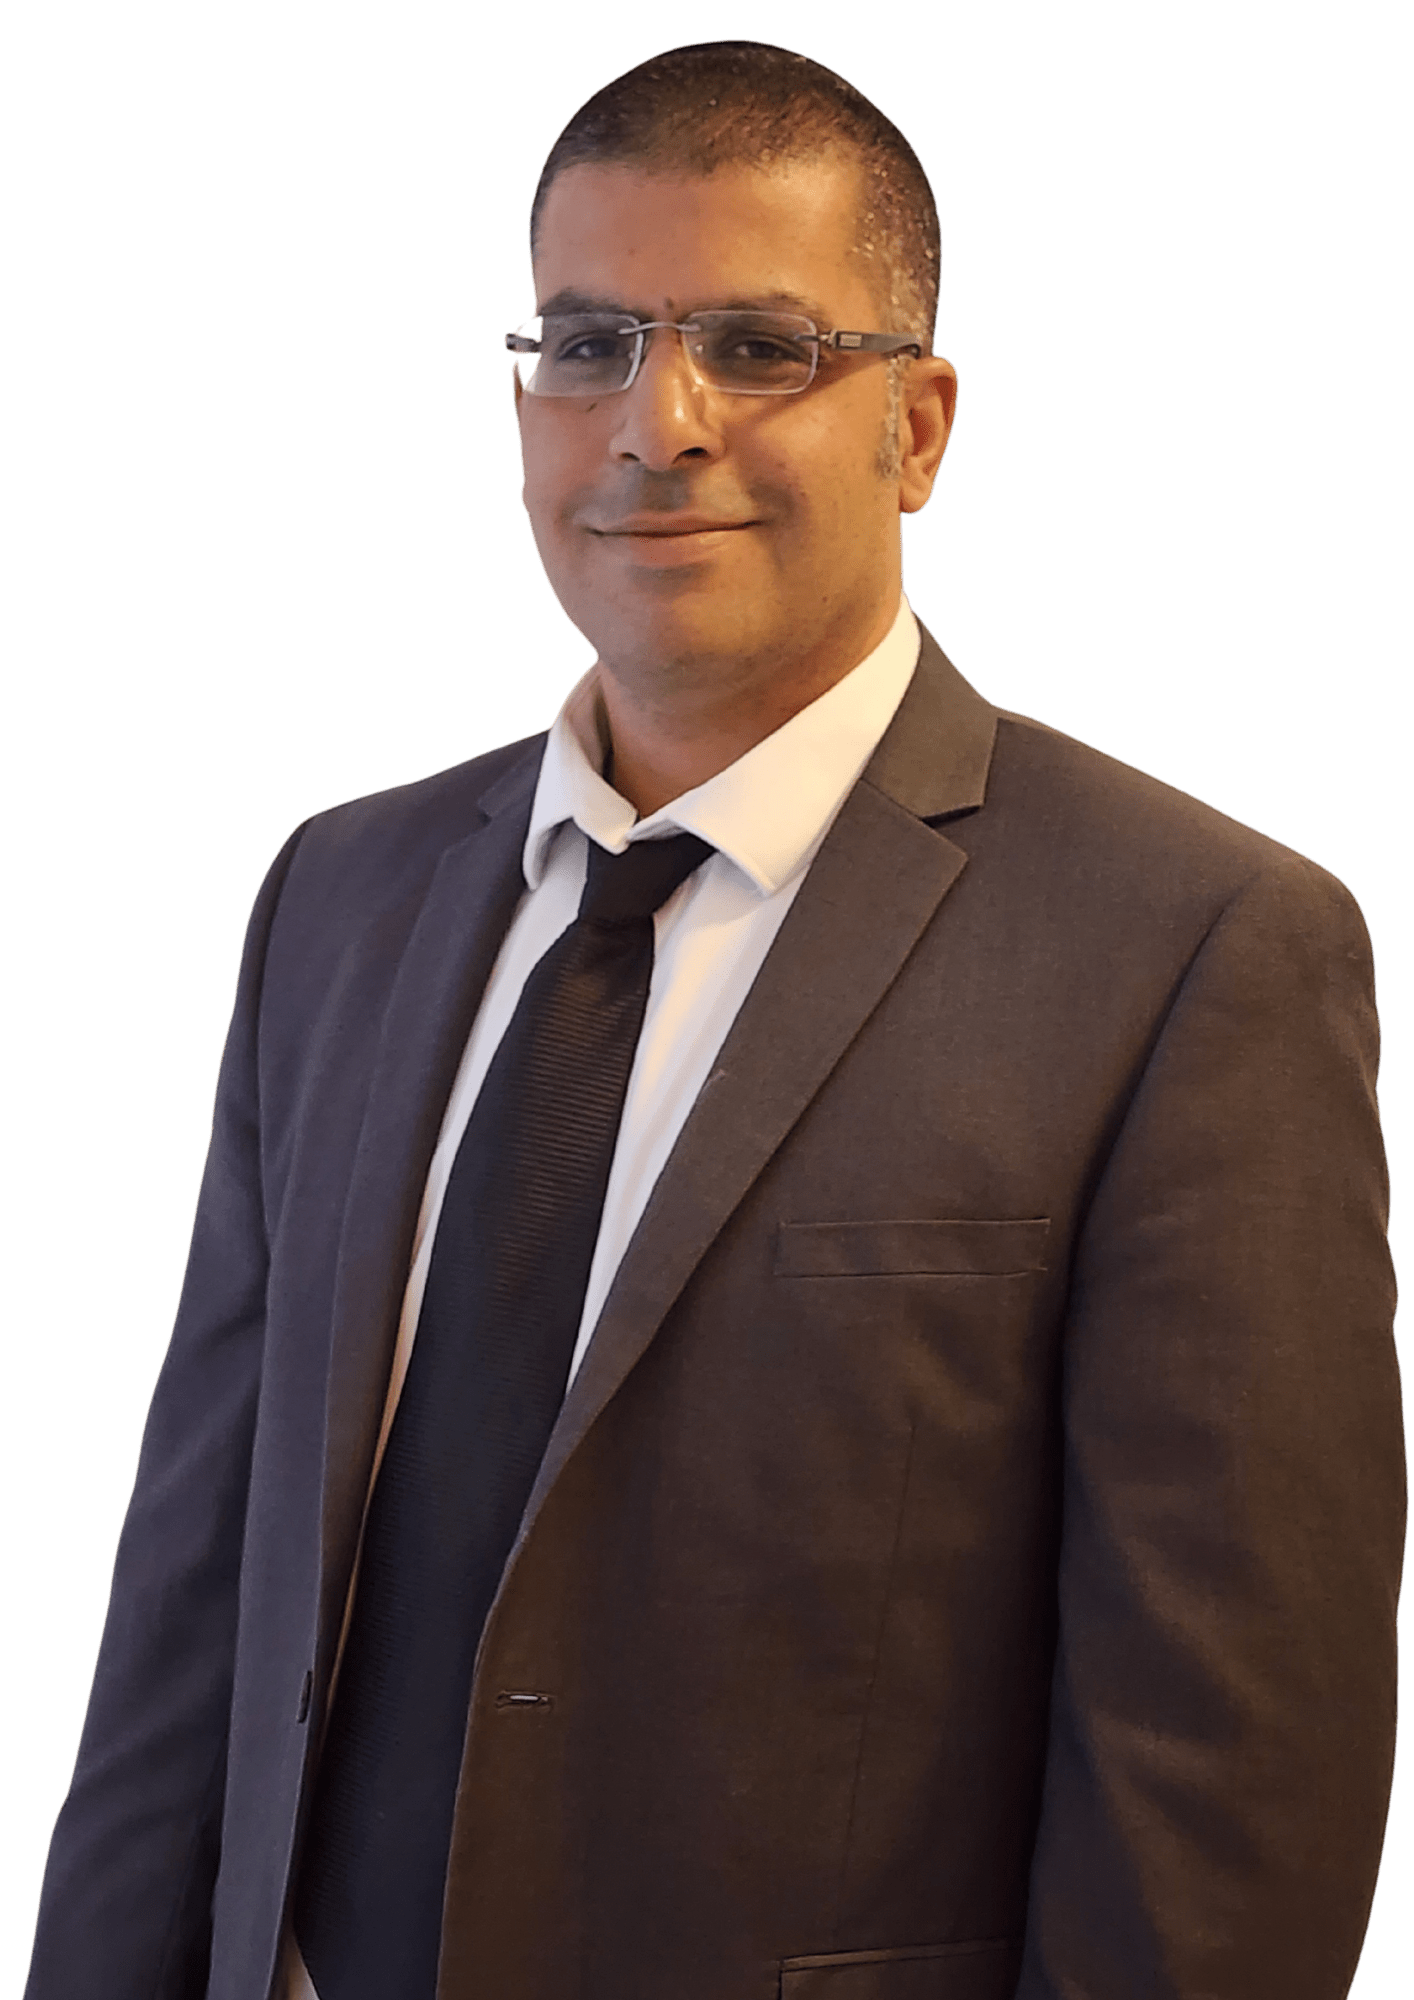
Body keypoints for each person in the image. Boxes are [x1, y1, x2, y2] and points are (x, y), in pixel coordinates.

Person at [24, 39, 1404, 2000]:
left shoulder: (1190, 949)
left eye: (757, 348)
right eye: (585, 345)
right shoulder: (334, 895)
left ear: (917, 426)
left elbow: (1226, 1777)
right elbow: (198, 1592)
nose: (651, 426)